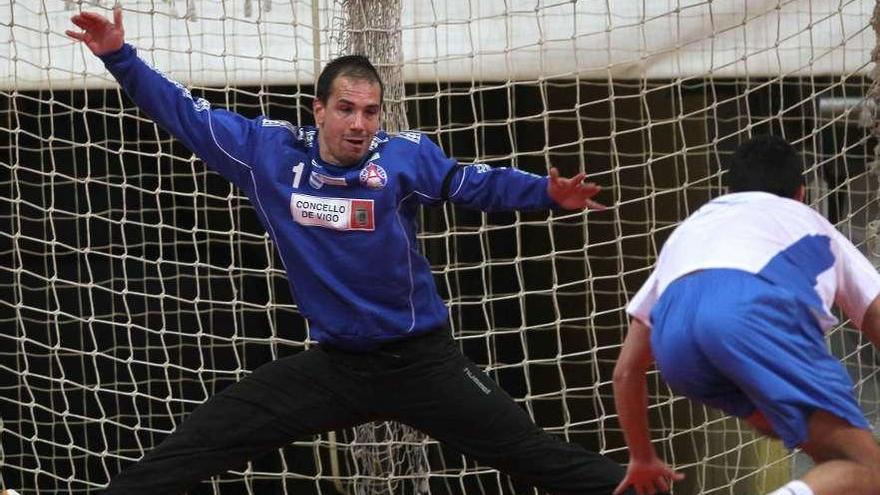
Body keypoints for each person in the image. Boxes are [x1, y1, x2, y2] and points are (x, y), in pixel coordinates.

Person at [67, 8, 641, 495]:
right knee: (205, 440)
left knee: (533, 455)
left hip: (422, 362)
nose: (360, 123)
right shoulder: (267, 155)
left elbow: (472, 183)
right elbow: (183, 114)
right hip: (335, 366)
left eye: (370, 112)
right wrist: (120, 56)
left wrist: (544, 192)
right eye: (346, 109)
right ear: (318, 110)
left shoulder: (401, 160)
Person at [612, 134, 880, 495]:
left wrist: (642, 457)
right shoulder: (805, 218)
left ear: (728, 191)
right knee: (863, 468)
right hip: (749, 315)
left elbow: (626, 370)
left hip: (675, 345)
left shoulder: (692, 229)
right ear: (802, 193)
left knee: (829, 459)